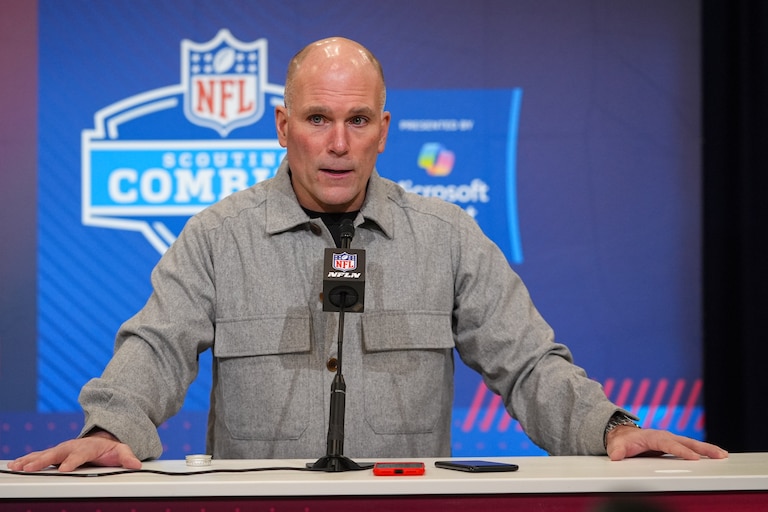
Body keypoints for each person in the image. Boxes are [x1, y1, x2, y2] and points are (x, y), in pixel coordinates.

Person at [8, 37, 726, 473]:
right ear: (282, 125)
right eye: (318, 119)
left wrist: (611, 429)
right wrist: (111, 427)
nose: (338, 144)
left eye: (357, 121)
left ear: (384, 129)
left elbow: (530, 363)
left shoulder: (447, 235)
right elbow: (156, 347)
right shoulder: (217, 235)